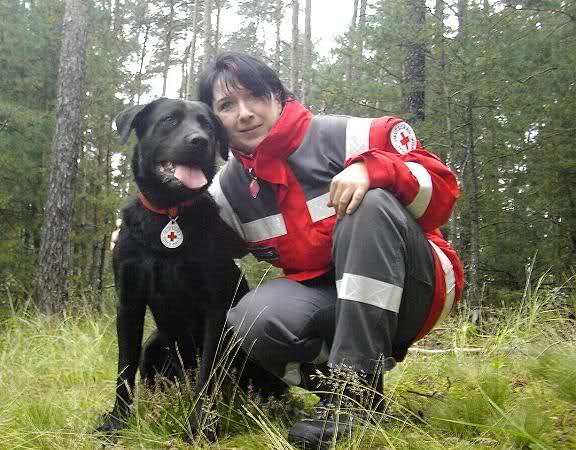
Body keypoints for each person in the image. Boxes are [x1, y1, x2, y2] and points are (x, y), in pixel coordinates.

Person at [199, 52, 464, 448]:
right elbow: (198, 240)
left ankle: (353, 393)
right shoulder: (228, 191)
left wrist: (376, 169)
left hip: (417, 285)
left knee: (368, 203)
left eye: (253, 96)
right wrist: (139, 229)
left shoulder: (354, 134)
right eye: (226, 106)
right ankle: (351, 397)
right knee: (254, 316)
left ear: (276, 94)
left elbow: (442, 192)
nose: (245, 114)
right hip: (331, 297)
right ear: (215, 121)